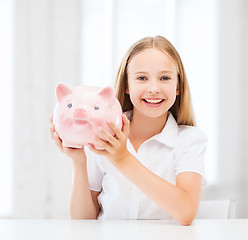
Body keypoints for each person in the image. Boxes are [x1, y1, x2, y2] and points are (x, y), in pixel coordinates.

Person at [50, 35, 207, 225]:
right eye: (142, 78)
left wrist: (122, 158)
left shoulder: (190, 140)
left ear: (178, 86)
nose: (154, 88)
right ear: (126, 85)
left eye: (165, 78)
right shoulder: (102, 135)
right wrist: (79, 161)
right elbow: (83, 219)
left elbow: (186, 211)